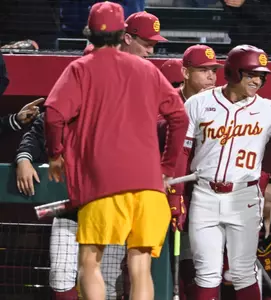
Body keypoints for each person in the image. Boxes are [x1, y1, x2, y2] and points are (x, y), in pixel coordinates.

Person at [42, 2, 189, 300]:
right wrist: (167, 168)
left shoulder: (81, 68)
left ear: (89, 33)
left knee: (89, 262)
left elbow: (54, 114)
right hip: (149, 190)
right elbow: (180, 118)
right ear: (123, 33)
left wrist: (55, 154)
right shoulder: (147, 70)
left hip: (102, 188)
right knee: (140, 267)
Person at [176, 44, 271, 300]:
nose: (258, 80)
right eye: (251, 74)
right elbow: (182, 153)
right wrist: (176, 194)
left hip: (243, 197)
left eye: (262, 76)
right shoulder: (199, 103)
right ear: (233, 72)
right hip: (204, 194)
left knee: (244, 272)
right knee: (206, 274)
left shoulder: (267, 109)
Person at [15, 112, 127, 300]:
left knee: (108, 282)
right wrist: (23, 159)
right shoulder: (62, 109)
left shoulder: (118, 108)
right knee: (60, 277)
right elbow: (35, 135)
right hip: (70, 213)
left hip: (112, 213)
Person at [157, 45, 222, 300]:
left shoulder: (220, 105)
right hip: (163, 192)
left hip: (202, 196)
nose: (210, 77)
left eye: (213, 71)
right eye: (203, 70)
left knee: (198, 270)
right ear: (185, 72)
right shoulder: (166, 103)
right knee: (155, 267)